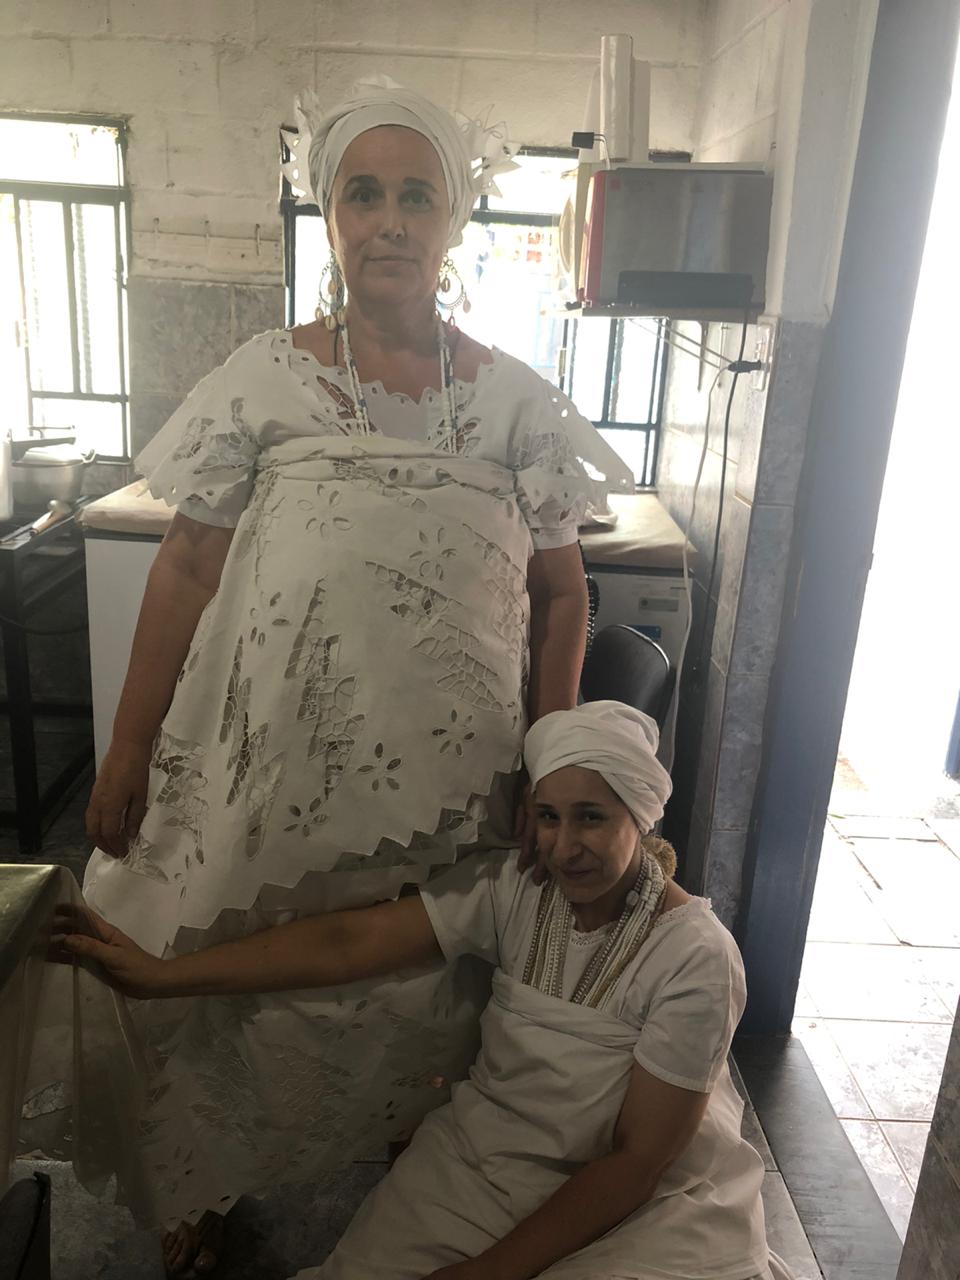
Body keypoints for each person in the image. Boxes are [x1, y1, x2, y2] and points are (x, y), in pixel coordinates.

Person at [62, 74, 633, 1273]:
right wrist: (127, 749)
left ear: (455, 218)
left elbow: (562, 593)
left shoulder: (517, 404)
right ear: (328, 214)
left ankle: (406, 1165)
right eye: (362, 194)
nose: (389, 221)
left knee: (421, 990)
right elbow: (186, 565)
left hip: (453, 787)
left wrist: (553, 760)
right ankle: (199, 1182)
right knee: (223, 977)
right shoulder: (264, 378)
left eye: (416, 196)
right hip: (267, 775)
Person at [66, 703, 795, 1280]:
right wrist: (161, 978)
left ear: (641, 814)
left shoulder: (696, 958)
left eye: (593, 817)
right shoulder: (514, 888)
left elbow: (637, 1162)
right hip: (487, 1160)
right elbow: (346, 942)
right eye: (548, 816)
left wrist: (488, 1273)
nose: (565, 846)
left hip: (644, 1204)